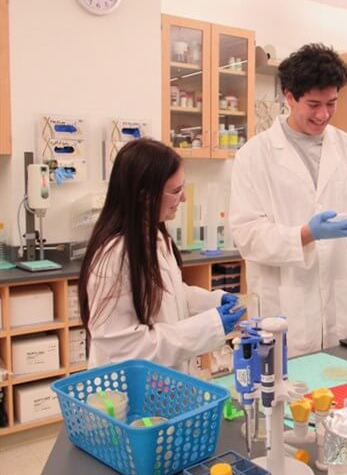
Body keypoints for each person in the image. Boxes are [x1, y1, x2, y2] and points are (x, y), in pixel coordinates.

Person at [229, 43, 347, 358]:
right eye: (313, 104)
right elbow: (246, 235)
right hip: (286, 309)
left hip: (345, 311)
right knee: (289, 398)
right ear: (289, 96)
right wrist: (306, 234)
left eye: (331, 103)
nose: (324, 114)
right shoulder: (254, 155)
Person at [79, 138, 245, 372]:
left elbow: (170, 294)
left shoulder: (154, 237)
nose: (184, 199)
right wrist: (210, 325)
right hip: (126, 396)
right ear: (145, 196)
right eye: (176, 191)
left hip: (161, 385)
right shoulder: (115, 256)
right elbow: (128, 348)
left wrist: (214, 301)